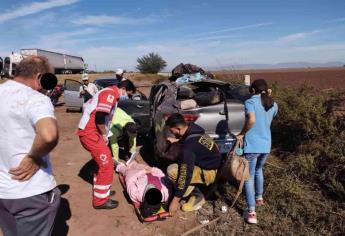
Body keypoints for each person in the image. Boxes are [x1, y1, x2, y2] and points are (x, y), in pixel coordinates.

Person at [0, 56, 60, 236]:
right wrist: (34, 156)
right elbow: (48, 135)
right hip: (31, 191)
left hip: (3, 192)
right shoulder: (36, 99)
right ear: (39, 77)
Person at [237, 79, 278, 224]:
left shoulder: (250, 102)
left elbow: (252, 120)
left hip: (253, 146)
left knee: (248, 177)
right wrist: (269, 95)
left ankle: (251, 212)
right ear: (267, 90)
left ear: (252, 90)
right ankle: (259, 198)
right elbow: (271, 116)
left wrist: (242, 133)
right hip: (266, 145)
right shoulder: (273, 104)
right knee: (259, 170)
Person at [165, 113, 222, 216]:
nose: (171, 133)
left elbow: (185, 175)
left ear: (178, 128)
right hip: (213, 163)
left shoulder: (188, 148)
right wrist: (177, 140)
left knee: (172, 170)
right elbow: (194, 142)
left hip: (210, 173)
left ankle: (198, 195)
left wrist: (175, 201)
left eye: (171, 130)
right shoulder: (194, 129)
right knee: (180, 162)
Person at [77, 79, 120, 209]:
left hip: (90, 132)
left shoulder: (105, 91)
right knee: (107, 164)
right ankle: (100, 201)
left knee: (101, 162)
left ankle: (102, 192)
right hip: (91, 133)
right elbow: (100, 116)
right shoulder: (111, 94)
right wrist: (103, 134)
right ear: (124, 89)